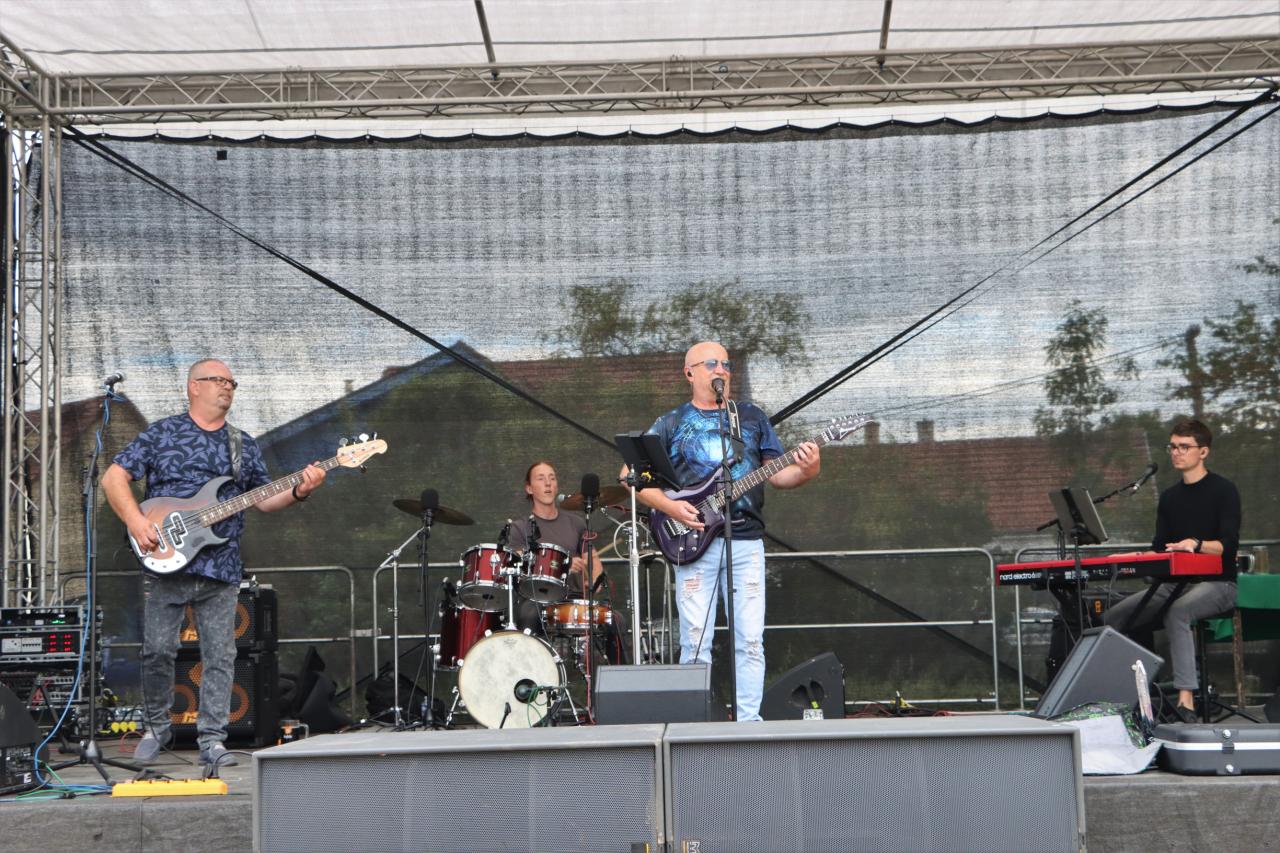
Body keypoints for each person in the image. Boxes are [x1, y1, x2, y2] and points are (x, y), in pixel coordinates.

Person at [102, 359, 325, 765]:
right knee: (157, 651)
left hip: (220, 566)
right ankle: (156, 728)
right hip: (165, 560)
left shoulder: (242, 444)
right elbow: (113, 477)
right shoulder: (162, 433)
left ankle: (213, 741)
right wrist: (136, 521)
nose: (227, 387)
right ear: (194, 386)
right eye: (218, 380)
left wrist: (300, 490)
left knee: (221, 656)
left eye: (231, 382)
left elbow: (264, 499)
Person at [632, 342, 820, 721]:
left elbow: (778, 474)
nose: (721, 370)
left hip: (746, 541)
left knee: (749, 640)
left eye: (726, 364)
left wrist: (807, 469)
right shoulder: (671, 422)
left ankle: (749, 724)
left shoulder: (750, 417)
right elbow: (632, 476)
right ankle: (692, 727)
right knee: (694, 640)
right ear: (690, 373)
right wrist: (671, 507)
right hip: (692, 540)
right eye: (711, 364)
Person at [1103, 419, 1241, 723]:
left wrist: (1197, 544)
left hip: (1218, 584)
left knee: (1178, 612)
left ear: (1203, 451)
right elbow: (1160, 549)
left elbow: (1228, 545)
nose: (1177, 452)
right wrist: (1130, 557)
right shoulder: (1169, 497)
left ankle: (1186, 701)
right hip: (1174, 584)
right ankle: (1133, 698)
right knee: (1115, 617)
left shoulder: (1224, 490)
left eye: (1184, 447)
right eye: (1173, 446)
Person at [506, 461, 626, 664]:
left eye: (552, 478)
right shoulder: (520, 528)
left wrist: (593, 580)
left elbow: (593, 559)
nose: (548, 483)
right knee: (528, 616)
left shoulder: (576, 523)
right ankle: (528, 674)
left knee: (615, 620)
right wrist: (564, 565)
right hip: (538, 600)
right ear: (529, 488)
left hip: (574, 598)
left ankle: (621, 678)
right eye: (541, 479)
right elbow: (517, 564)